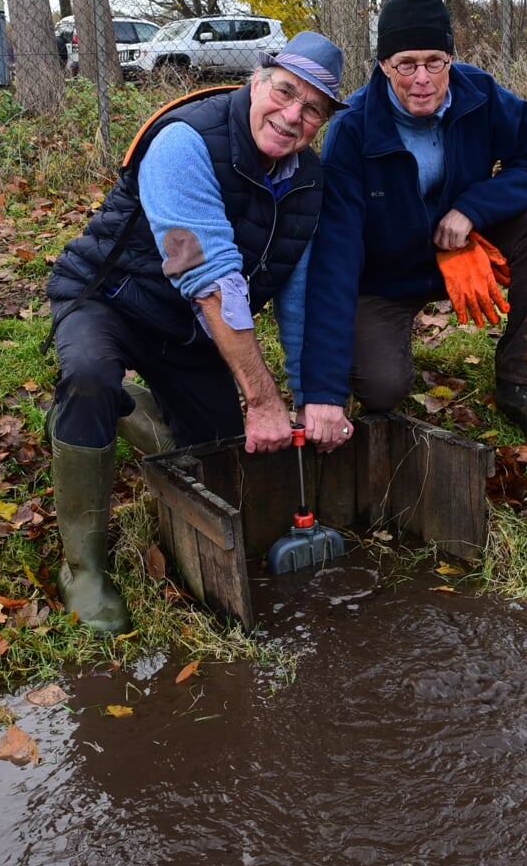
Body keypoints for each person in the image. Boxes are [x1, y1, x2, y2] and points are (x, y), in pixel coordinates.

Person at [43, 32, 348, 632]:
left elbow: (297, 295)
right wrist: (262, 399)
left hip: (193, 334)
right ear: (256, 81)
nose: (293, 117)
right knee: (88, 379)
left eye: (313, 109)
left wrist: (312, 392)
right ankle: (83, 570)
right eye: (285, 93)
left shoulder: (308, 179)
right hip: (113, 299)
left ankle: (130, 411)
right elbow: (208, 279)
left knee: (213, 455)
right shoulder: (184, 143)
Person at [298, 0, 527, 452]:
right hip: (385, 277)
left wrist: (471, 210)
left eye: (434, 61)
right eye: (406, 63)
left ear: (450, 57)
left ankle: (522, 381)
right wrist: (322, 391)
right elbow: (336, 254)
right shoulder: (352, 129)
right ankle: (387, 344)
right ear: (384, 65)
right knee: (382, 390)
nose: (422, 78)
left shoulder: (480, 93)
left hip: (465, 244)